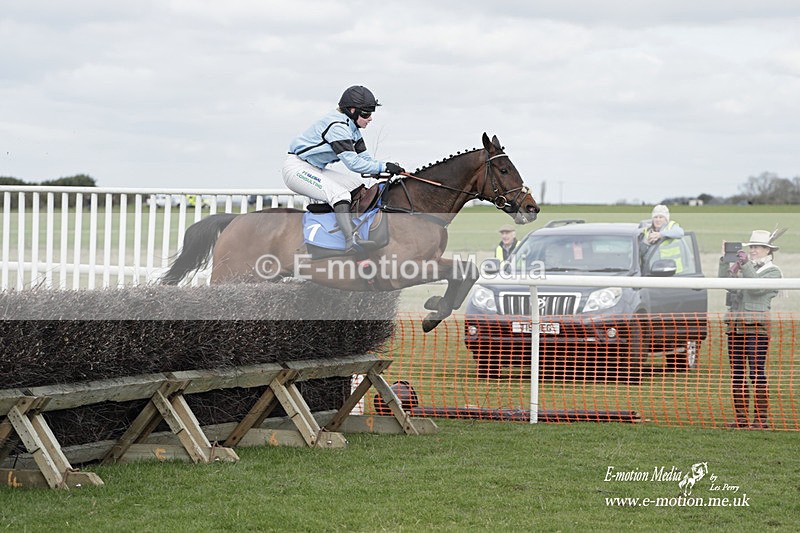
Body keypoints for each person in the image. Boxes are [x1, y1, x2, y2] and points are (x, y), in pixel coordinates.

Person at [282, 85, 405, 250]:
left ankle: (354, 227)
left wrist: (387, 169)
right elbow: (353, 164)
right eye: (366, 114)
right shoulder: (337, 127)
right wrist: (383, 167)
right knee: (340, 194)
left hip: (315, 168)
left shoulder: (353, 129)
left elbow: (365, 160)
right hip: (296, 169)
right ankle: (350, 240)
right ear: (352, 110)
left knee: (356, 186)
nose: (370, 119)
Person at [719, 229, 784, 429]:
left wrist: (745, 265)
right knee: (737, 374)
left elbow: (756, 288)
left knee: (757, 373)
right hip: (736, 327)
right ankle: (741, 418)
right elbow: (725, 284)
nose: (754, 250)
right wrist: (725, 260)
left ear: (767, 250)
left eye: (757, 247)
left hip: (757, 329)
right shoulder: (743, 267)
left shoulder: (774, 272)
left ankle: (760, 419)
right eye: (752, 246)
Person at [640, 204, 685, 272]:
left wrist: (660, 234)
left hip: (672, 271)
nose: (658, 220)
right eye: (655, 217)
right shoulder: (648, 231)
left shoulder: (671, 227)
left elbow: (680, 233)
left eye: (661, 217)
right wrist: (647, 243)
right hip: (652, 272)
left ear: (666, 219)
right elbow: (641, 252)